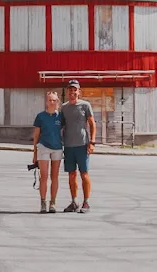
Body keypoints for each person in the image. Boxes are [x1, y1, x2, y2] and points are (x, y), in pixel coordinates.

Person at [61, 79, 96, 214]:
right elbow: (61, 126)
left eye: (75, 89)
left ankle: (86, 202)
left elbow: (92, 124)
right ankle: (74, 201)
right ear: (67, 91)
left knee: (84, 174)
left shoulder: (85, 105)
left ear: (79, 91)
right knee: (71, 175)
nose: (73, 92)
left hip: (82, 145)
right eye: (70, 89)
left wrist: (92, 142)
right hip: (69, 146)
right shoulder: (64, 107)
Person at [32, 91, 63, 214]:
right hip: (43, 147)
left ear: (58, 102)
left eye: (54, 100)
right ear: (46, 102)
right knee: (43, 176)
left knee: (54, 176)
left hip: (57, 148)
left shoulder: (60, 117)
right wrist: (34, 153)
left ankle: (53, 202)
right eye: (50, 100)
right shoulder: (40, 116)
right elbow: (36, 136)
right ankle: (43, 202)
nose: (52, 102)